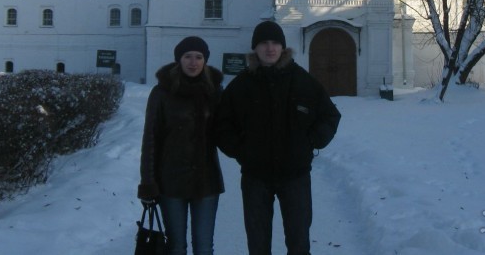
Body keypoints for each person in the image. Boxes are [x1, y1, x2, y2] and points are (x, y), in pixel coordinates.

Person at [216, 20, 341, 255]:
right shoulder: (242, 85)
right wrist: (240, 150)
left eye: (275, 43)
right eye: (264, 43)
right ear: (255, 48)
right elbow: (222, 124)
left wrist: (311, 142)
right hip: (255, 177)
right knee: (258, 243)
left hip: (295, 176)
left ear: (283, 47)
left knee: (298, 242)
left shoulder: (302, 81)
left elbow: (330, 115)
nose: (270, 48)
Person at [138, 36, 224, 255]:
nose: (193, 62)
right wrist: (148, 182)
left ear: (205, 60)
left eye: (198, 57)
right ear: (179, 59)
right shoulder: (162, 92)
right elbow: (150, 139)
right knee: (176, 246)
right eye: (187, 56)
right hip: (171, 182)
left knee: (204, 247)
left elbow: (227, 129)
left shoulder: (214, 92)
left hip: (206, 181)